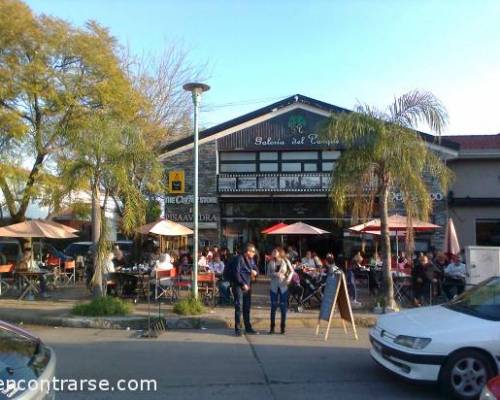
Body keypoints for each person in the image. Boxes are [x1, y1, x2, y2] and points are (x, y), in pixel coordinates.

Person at [232, 243, 259, 336]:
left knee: (247, 307)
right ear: (248, 251)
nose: (254, 253)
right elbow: (236, 273)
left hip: (248, 286)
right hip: (239, 286)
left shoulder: (251, 260)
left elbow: (256, 269)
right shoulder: (240, 259)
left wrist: (255, 272)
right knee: (239, 307)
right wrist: (242, 284)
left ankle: (248, 327)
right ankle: (238, 329)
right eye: (253, 251)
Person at [269, 247, 294, 334]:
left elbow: (292, 271)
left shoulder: (286, 261)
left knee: (283, 307)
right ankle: (272, 327)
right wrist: (275, 274)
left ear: (279, 253)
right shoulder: (271, 262)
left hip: (283, 286)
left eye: (274, 251)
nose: (273, 252)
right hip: (274, 286)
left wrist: (288, 279)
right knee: (273, 307)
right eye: (273, 251)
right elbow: (268, 273)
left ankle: (282, 327)